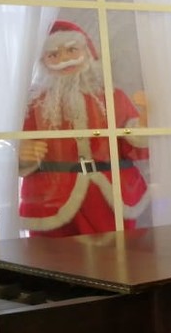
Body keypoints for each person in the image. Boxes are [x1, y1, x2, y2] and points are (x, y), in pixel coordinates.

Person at [18, 20, 150, 236]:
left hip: (109, 196)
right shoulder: (34, 106)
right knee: (52, 253)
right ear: (43, 63)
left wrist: (142, 124)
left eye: (72, 50)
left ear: (87, 53)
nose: (64, 60)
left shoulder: (113, 97)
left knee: (115, 251)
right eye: (54, 55)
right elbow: (15, 143)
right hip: (51, 197)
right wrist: (23, 153)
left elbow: (131, 142)